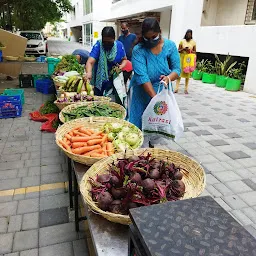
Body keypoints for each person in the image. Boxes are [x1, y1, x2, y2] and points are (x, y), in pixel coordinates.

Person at [129, 17, 180, 131]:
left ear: (160, 31)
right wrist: (155, 100)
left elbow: (177, 70)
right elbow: (142, 77)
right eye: (147, 38)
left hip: (162, 91)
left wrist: (168, 78)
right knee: (139, 124)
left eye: (154, 37)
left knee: (157, 126)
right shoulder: (139, 50)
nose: (151, 40)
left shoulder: (170, 46)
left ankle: (152, 148)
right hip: (142, 92)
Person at [86, 27, 127, 102]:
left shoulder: (119, 45)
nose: (107, 44)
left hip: (114, 81)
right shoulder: (99, 45)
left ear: (114, 39)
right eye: (105, 42)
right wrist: (89, 73)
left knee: (112, 103)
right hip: (100, 82)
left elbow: (124, 60)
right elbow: (90, 62)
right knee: (98, 102)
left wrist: (121, 66)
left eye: (110, 42)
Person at [174, 29, 196, 94]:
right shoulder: (182, 41)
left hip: (188, 60)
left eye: (190, 34)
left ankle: (186, 89)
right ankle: (176, 88)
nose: (188, 35)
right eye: (187, 34)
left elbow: (195, 52)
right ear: (186, 34)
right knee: (179, 74)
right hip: (182, 59)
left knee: (187, 74)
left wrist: (189, 51)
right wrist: (183, 49)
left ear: (191, 35)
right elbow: (178, 50)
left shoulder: (193, 42)